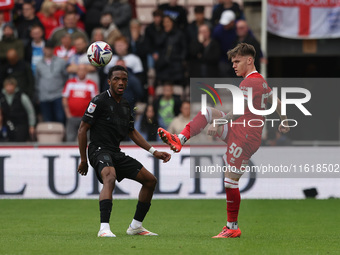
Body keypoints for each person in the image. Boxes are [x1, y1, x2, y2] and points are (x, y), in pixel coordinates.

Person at [158, 43, 290, 238]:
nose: (234, 65)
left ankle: (232, 227)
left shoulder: (249, 83)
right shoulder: (260, 81)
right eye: (232, 62)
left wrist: (219, 123)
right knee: (207, 111)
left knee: (230, 182)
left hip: (245, 136)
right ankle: (180, 138)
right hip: (243, 131)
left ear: (249, 60)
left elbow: (238, 111)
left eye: (237, 61)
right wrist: (284, 120)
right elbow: (276, 101)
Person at [77, 65, 171, 237]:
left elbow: (131, 131)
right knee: (110, 176)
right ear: (109, 81)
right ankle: (104, 229)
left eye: (124, 79)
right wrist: (83, 159)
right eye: (116, 79)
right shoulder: (99, 101)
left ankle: (135, 226)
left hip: (115, 152)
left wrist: (153, 151)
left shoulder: (126, 104)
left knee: (150, 181)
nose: (120, 82)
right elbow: (82, 129)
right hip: (98, 149)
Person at [62, 64, 98, 141]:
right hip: (72, 117)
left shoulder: (92, 84)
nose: (81, 72)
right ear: (77, 71)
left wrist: (90, 115)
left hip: (86, 118)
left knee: (87, 139)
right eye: (80, 70)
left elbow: (95, 101)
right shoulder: (70, 83)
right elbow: (64, 99)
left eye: (83, 70)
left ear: (86, 72)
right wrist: (68, 114)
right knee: (70, 139)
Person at [35, 40, 68, 123]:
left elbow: (65, 77)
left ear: (53, 50)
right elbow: (37, 81)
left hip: (58, 95)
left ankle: (61, 136)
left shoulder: (61, 62)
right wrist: (38, 95)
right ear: (44, 49)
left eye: (50, 49)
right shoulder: (39, 64)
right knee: (47, 120)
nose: (48, 50)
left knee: (60, 118)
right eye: (47, 48)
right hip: (44, 96)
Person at [0, 78, 36, 142]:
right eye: (7, 86)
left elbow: (30, 111)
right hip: (8, 124)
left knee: (20, 141)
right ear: (4, 87)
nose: (9, 88)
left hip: (21, 124)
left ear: (15, 86)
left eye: (11, 85)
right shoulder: (1, 97)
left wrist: (32, 125)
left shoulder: (22, 96)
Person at [212, 10, 237, 77]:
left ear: (232, 22)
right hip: (223, 58)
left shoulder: (238, 28)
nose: (225, 25)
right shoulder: (218, 31)